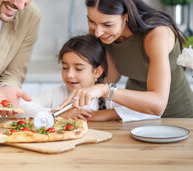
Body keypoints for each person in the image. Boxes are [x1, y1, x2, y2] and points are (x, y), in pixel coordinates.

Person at [60, 0, 193, 118]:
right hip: (134, 115)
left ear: (126, 15)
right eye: (91, 21)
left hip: (177, 116)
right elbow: (111, 77)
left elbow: (158, 105)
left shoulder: (156, 35)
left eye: (107, 24)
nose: (97, 32)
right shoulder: (105, 34)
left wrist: (104, 90)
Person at [18, 34, 160, 122]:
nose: (69, 75)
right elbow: (19, 107)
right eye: (65, 67)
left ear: (97, 72)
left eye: (78, 68)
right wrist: (59, 114)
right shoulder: (58, 93)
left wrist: (105, 115)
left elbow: (152, 114)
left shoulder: (107, 98)